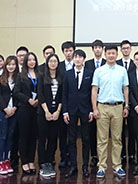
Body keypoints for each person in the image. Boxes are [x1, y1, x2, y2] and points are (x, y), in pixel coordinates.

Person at [91, 44, 129, 179]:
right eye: (109, 53)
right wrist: (94, 108)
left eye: (113, 53)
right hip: (102, 107)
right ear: (105, 54)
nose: (111, 55)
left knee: (117, 138)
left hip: (118, 107)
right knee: (102, 139)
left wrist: (126, 106)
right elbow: (94, 90)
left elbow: (125, 89)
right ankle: (101, 167)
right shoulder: (99, 71)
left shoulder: (122, 70)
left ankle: (117, 166)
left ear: (117, 55)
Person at [62, 49, 94, 178]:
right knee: (71, 139)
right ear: (73, 59)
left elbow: (92, 93)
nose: (78, 59)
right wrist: (65, 111)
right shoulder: (67, 74)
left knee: (86, 139)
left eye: (80, 57)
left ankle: (85, 166)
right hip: (71, 110)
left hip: (86, 110)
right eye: (76, 57)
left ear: (84, 59)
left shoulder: (90, 73)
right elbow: (64, 94)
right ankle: (73, 166)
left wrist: (92, 110)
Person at [37, 53, 63, 178]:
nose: (53, 63)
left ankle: (49, 161)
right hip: (43, 112)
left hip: (56, 112)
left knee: (53, 139)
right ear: (47, 63)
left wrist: (57, 111)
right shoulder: (42, 76)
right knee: (42, 139)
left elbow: (62, 96)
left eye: (55, 61)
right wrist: (47, 112)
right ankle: (42, 163)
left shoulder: (61, 77)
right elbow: (40, 95)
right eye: (51, 61)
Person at [14, 52, 40, 175]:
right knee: (24, 136)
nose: (31, 62)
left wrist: (38, 100)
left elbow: (42, 90)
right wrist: (28, 100)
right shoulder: (21, 75)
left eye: (33, 59)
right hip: (24, 108)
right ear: (25, 62)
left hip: (36, 109)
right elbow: (16, 92)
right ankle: (24, 162)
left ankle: (31, 161)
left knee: (33, 136)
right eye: (29, 60)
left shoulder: (40, 74)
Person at [0, 55, 18, 175]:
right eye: (9, 64)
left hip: (14, 111)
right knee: (2, 136)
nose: (11, 67)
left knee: (10, 136)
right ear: (5, 66)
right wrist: (5, 109)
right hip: (2, 112)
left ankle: (7, 160)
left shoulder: (19, 78)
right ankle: (1, 161)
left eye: (13, 64)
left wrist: (14, 108)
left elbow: (19, 94)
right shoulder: (0, 79)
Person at [85, 39, 106, 167]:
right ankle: (94, 155)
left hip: (105, 100)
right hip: (91, 101)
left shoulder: (107, 63)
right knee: (92, 130)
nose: (97, 49)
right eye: (95, 47)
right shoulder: (87, 64)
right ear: (92, 50)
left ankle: (104, 156)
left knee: (104, 132)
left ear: (102, 49)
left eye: (99, 47)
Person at [57, 41, 75, 168]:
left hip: (76, 105)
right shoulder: (59, 66)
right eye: (66, 51)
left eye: (70, 51)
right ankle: (64, 157)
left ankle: (72, 158)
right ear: (63, 52)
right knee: (62, 133)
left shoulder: (79, 65)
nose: (68, 53)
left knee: (73, 134)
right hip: (62, 103)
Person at [117, 40, 135, 164]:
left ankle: (132, 154)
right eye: (123, 48)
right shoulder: (116, 64)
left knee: (133, 129)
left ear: (131, 49)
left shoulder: (136, 63)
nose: (126, 50)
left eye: (128, 48)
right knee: (120, 130)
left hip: (133, 101)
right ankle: (122, 154)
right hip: (118, 101)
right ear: (121, 50)